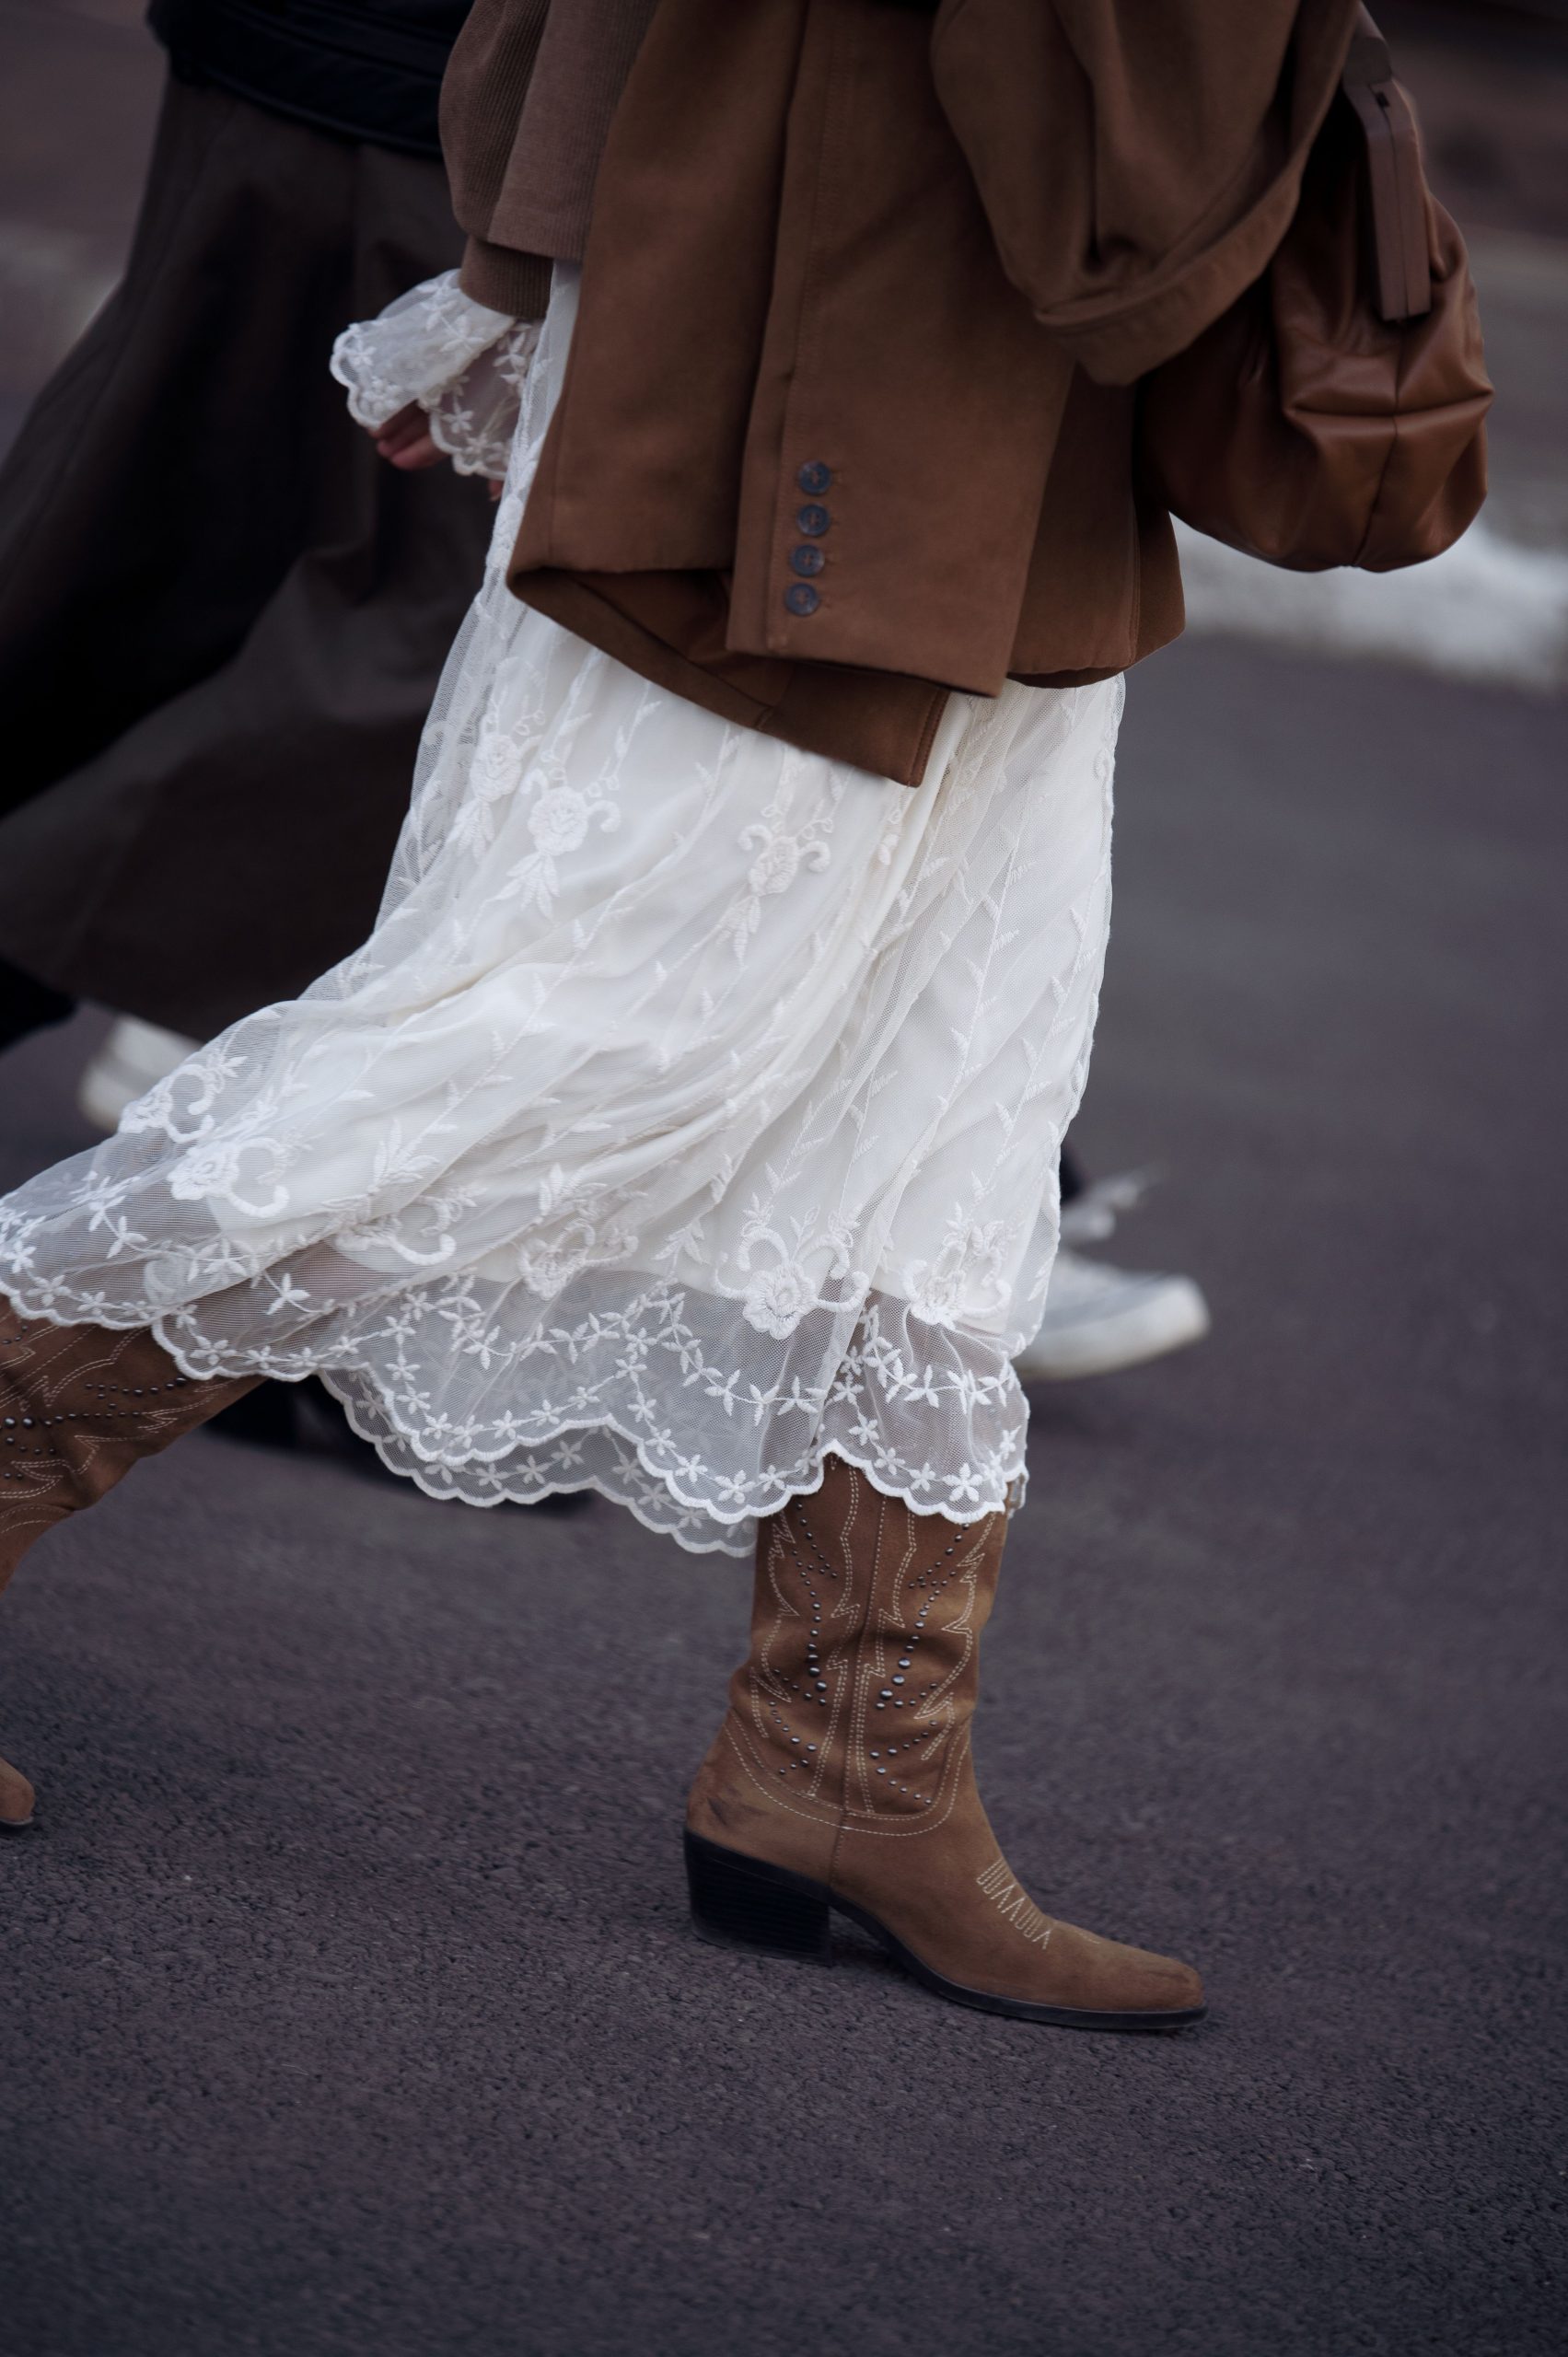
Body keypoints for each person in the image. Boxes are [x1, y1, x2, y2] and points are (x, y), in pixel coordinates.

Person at [0, 0, 1388, 2026]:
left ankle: (855, 1755)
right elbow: (1113, 146)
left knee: (962, 1059)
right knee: (580, 1022)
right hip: (841, 305)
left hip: (946, 337)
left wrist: (514, 261)